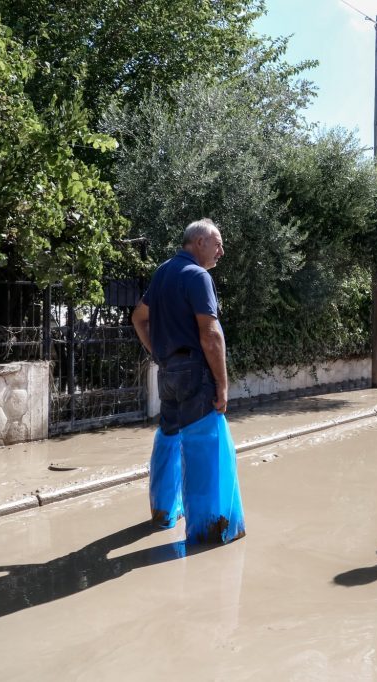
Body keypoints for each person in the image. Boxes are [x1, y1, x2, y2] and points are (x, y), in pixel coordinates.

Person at [131, 218, 245, 545]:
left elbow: (139, 318)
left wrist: (159, 353)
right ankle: (211, 530)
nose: (221, 251)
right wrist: (222, 386)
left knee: (168, 437)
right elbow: (210, 335)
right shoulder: (198, 275)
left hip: (168, 374)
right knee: (204, 445)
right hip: (195, 371)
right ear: (199, 243)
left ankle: (164, 514)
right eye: (218, 244)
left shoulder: (163, 272)